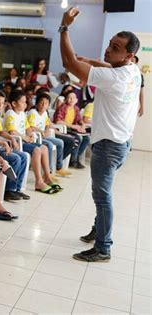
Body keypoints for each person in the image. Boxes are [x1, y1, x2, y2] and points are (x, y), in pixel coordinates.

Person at [59, 7, 141, 262]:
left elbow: (68, 63)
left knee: (102, 196)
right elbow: (106, 65)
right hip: (122, 143)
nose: (108, 49)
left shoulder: (112, 78)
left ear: (129, 55)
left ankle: (103, 247)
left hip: (109, 146)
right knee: (104, 193)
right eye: (109, 44)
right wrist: (92, 61)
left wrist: (64, 27)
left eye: (115, 47)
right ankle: (99, 230)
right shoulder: (133, 71)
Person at [4, 89, 62, 194]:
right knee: (36, 150)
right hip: (15, 143)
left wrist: (30, 134)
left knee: (44, 148)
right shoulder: (10, 113)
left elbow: (28, 128)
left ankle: (48, 177)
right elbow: (12, 131)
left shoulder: (22, 114)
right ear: (14, 103)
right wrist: (24, 137)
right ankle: (38, 181)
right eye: (22, 102)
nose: (25, 104)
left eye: (26, 102)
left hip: (24, 141)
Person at [0, 89, 30, 201]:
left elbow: (0, 132)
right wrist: (3, 142)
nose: (0, 106)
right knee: (15, 158)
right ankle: (9, 190)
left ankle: (17, 188)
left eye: (2, 103)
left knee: (24, 156)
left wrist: (11, 138)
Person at [28, 93, 74, 176]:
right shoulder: (33, 112)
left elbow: (48, 124)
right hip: (36, 138)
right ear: (37, 103)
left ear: (48, 105)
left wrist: (46, 130)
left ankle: (59, 167)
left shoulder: (45, 113)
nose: (43, 105)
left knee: (60, 142)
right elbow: (31, 127)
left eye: (46, 103)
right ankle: (47, 171)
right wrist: (41, 131)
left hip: (44, 136)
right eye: (41, 102)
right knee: (48, 145)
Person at [54, 90, 90, 169]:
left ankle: (75, 158)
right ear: (66, 99)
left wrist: (83, 125)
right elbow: (58, 121)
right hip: (63, 129)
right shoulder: (62, 107)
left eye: (73, 98)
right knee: (79, 138)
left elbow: (80, 120)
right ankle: (73, 160)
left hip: (72, 129)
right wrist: (73, 126)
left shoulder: (76, 108)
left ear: (76, 100)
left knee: (87, 138)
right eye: (69, 98)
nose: (71, 99)